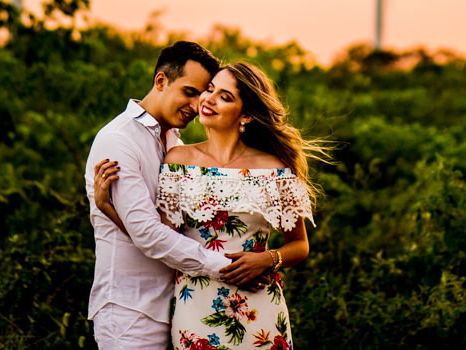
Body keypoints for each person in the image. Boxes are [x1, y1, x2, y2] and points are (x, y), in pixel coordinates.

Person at [96, 60, 324, 350]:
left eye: (225, 97)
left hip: (260, 308)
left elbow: (299, 245)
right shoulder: (178, 160)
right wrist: (109, 209)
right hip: (197, 307)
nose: (208, 100)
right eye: (210, 90)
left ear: (247, 116)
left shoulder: (273, 168)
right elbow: (159, 240)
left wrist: (268, 259)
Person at [85, 41, 239, 350]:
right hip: (130, 311)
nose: (197, 106)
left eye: (203, 94)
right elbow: (147, 233)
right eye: (189, 92)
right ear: (160, 81)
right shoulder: (119, 139)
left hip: (180, 307)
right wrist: (228, 268)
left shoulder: (173, 141)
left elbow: (171, 226)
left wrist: (107, 209)